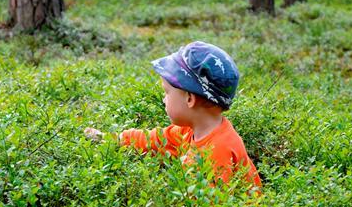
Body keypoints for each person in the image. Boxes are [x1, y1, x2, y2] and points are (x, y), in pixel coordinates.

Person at [86, 41, 261, 188]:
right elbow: (154, 139)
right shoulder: (191, 131)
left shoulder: (217, 152)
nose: (163, 99)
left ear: (190, 98)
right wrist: (113, 139)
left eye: (167, 93)